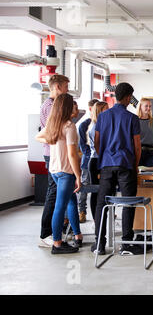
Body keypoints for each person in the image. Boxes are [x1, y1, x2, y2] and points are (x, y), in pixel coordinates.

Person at [92, 83, 142, 255]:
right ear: (128, 97)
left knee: (101, 204)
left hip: (106, 164)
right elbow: (137, 147)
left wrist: (103, 156)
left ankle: (99, 244)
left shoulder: (103, 116)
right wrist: (135, 166)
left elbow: (96, 141)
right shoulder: (132, 118)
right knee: (128, 202)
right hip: (126, 164)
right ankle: (126, 244)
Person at [35, 93, 83, 254]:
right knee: (60, 207)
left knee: (68, 203)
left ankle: (77, 235)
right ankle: (57, 243)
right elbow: (72, 154)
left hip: (55, 170)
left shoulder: (53, 125)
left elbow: (38, 137)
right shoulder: (69, 126)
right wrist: (78, 175)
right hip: (65, 171)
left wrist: (51, 139)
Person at [38, 74, 70, 248]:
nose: (66, 90)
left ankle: (56, 229)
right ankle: (46, 234)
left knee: (58, 195)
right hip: (53, 153)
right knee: (53, 194)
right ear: (57, 87)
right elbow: (52, 133)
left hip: (54, 153)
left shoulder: (51, 105)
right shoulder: (51, 107)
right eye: (65, 87)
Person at [77, 99, 99, 223]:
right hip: (87, 161)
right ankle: (82, 211)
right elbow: (82, 146)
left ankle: (101, 211)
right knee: (84, 187)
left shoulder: (102, 123)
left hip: (99, 161)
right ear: (91, 109)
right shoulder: (84, 125)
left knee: (100, 187)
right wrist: (91, 154)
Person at [87, 101, 108, 221]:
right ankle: (97, 219)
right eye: (106, 109)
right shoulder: (95, 126)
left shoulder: (100, 124)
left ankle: (100, 218)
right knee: (96, 192)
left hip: (99, 160)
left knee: (102, 192)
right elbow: (98, 147)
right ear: (100, 111)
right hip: (96, 161)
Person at [136, 98, 153, 167]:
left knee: (150, 176)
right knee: (136, 176)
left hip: (151, 153)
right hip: (138, 152)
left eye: (150, 106)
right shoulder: (135, 121)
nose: (148, 108)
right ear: (140, 107)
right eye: (146, 106)